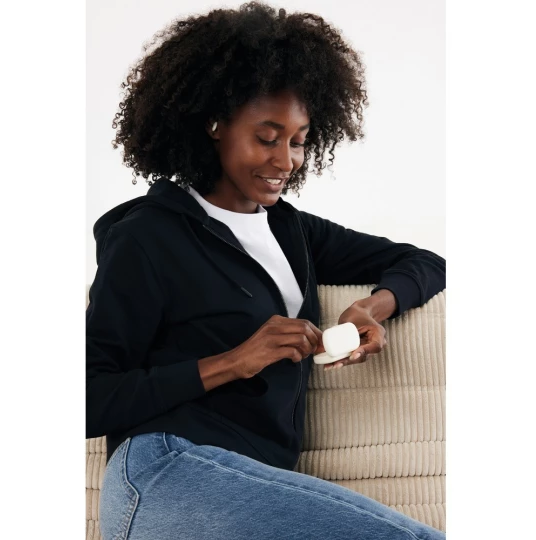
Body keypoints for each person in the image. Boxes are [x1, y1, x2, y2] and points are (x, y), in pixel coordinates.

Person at [86, 2, 446, 538]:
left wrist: (370, 308)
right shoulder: (148, 237)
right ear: (214, 125)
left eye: (298, 141)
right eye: (267, 137)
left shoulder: (291, 231)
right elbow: (87, 398)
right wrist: (235, 361)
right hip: (164, 473)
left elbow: (425, 262)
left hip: (254, 482)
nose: (286, 161)